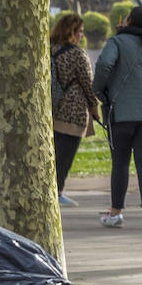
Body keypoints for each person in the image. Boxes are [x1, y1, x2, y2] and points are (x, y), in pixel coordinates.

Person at [93, 5, 142, 230]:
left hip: (122, 111)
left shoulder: (116, 42)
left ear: (129, 19)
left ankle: (116, 213)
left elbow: (104, 65)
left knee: (120, 163)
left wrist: (98, 90)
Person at [49, 12, 98, 208]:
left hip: (52, 108)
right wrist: (94, 107)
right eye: (80, 32)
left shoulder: (49, 50)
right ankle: (58, 192)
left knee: (53, 154)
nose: (82, 36)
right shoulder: (77, 54)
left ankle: (52, 189)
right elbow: (88, 83)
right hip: (73, 110)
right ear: (71, 32)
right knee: (65, 155)